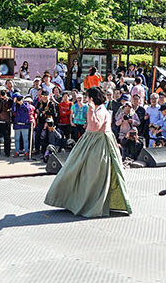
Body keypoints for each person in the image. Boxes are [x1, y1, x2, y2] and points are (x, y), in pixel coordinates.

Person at [44, 86, 132, 218]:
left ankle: (88, 203)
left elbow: (95, 126)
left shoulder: (101, 110)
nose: (86, 99)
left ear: (92, 98)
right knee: (77, 169)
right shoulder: (99, 109)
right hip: (91, 141)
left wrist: (90, 109)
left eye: (87, 97)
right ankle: (75, 200)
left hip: (98, 143)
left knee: (91, 174)